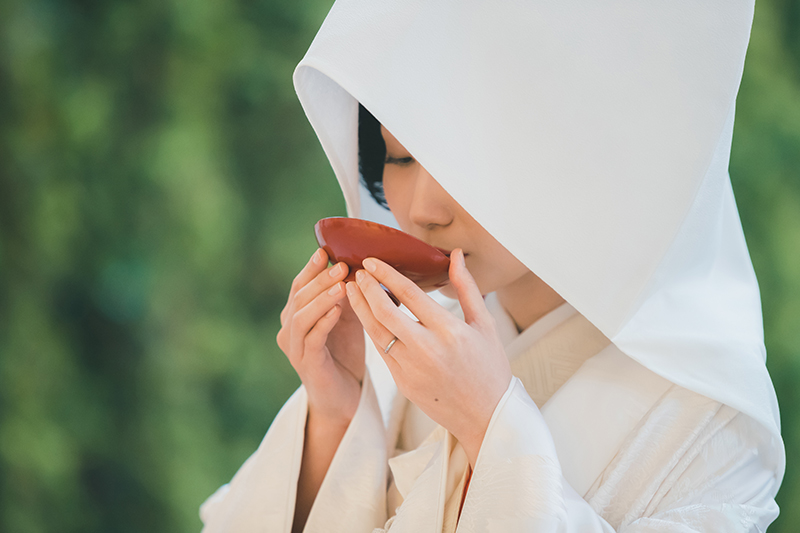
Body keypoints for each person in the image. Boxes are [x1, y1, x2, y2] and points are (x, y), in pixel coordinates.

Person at [200, 1, 785, 532]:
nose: (422, 211)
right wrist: (336, 414)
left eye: (465, 165)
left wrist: (492, 429)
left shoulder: (713, 417)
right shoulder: (401, 345)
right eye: (399, 157)